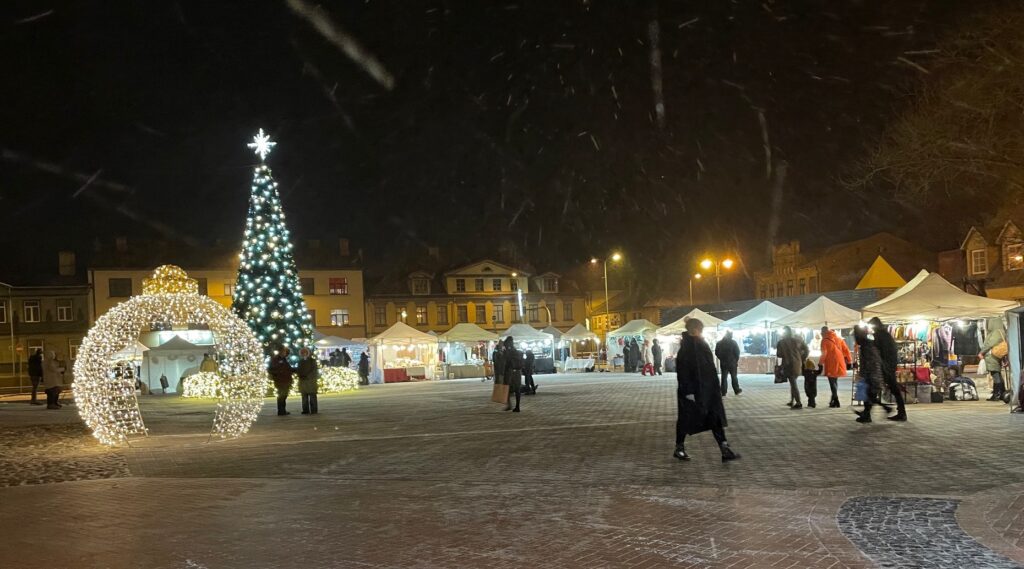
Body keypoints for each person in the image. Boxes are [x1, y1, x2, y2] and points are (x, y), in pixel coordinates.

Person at [674, 319, 740, 462]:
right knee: (687, 419)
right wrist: (689, 391)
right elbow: (683, 371)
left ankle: (724, 448)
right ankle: (679, 447)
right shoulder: (689, 347)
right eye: (700, 329)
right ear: (695, 330)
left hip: (707, 390)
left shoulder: (696, 344)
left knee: (714, 418)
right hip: (697, 391)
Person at [868, 317, 906, 421]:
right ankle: (899, 411)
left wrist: (883, 367)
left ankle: (899, 412)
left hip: (885, 366)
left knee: (878, 389)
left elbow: (879, 352)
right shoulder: (886, 335)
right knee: (890, 388)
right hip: (889, 365)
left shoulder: (880, 336)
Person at [853, 324, 885, 423]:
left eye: (856, 336)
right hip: (873, 375)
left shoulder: (867, 346)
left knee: (869, 396)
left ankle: (868, 414)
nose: (855, 339)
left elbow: (870, 363)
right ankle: (866, 415)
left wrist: (864, 375)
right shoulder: (866, 345)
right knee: (869, 397)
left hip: (872, 375)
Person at [776, 326, 809, 409]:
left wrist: (779, 366)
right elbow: (806, 350)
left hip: (788, 365)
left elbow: (779, 356)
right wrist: (802, 358)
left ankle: (798, 402)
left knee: (793, 384)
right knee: (793, 382)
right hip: (798, 364)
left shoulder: (781, 343)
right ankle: (792, 401)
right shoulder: (797, 340)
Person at [819, 327, 851, 408]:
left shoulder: (824, 340)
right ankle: (833, 400)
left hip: (831, 363)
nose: (820, 334)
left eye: (821, 332)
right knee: (834, 381)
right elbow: (846, 350)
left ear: (823, 332)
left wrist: (820, 363)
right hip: (840, 362)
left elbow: (824, 353)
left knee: (832, 382)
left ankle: (836, 400)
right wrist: (849, 361)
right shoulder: (839, 338)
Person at [979, 316, 1007, 402]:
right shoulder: (1002, 331)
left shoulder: (996, 332)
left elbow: (990, 343)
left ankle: (997, 394)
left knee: (995, 374)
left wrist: (982, 352)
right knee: (997, 373)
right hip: (997, 355)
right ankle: (1002, 393)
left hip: (992, 356)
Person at [268, 347, 295, 416]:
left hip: (286, 380)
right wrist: (279, 373)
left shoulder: (284, 359)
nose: (285, 354)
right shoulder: (276, 359)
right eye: (284, 352)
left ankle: (282, 410)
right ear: (281, 352)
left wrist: (294, 370)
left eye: (286, 353)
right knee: (282, 396)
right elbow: (271, 369)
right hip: (280, 380)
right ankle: (281, 411)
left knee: (284, 395)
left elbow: (288, 369)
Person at [714, 330, 742, 396]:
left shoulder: (719, 343)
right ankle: (736, 390)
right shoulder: (733, 342)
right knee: (734, 377)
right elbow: (737, 352)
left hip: (723, 363)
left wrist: (721, 358)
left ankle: (723, 392)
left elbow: (716, 352)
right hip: (732, 363)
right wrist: (735, 360)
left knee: (724, 377)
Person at [296, 348, 320, 415]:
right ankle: (305, 410)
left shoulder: (312, 361)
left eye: (305, 353)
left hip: (310, 381)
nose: (304, 354)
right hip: (303, 381)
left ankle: (314, 410)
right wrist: (300, 375)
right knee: (304, 397)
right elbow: (298, 370)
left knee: (312, 396)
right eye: (302, 353)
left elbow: (314, 370)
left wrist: (307, 376)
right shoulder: (300, 361)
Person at [503, 337, 523, 412]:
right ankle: (516, 406)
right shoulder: (516, 351)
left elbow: (505, 361)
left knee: (507, 388)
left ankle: (511, 405)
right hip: (517, 372)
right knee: (516, 389)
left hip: (510, 372)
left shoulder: (508, 352)